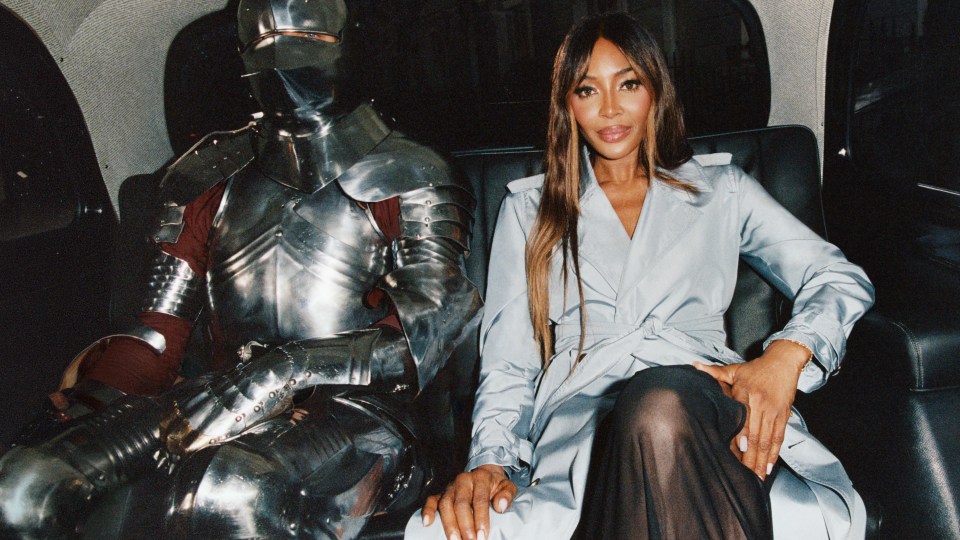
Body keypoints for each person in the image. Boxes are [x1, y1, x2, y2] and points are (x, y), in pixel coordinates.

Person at [0, 0, 480, 538]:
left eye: (308, 37)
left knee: (233, 488)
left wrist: (276, 371)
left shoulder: (410, 171)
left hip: (364, 413)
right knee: (25, 484)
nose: (283, 57)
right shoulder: (206, 174)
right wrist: (80, 409)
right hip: (218, 391)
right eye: (261, 39)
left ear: (348, 42)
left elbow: (431, 329)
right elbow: (158, 335)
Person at [406, 12, 874, 540]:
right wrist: (491, 460)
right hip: (586, 415)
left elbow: (837, 276)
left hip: (706, 395)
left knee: (662, 404)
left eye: (628, 83)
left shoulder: (722, 188)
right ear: (567, 105)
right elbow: (509, 362)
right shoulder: (530, 210)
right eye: (588, 90)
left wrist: (786, 356)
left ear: (654, 89)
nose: (610, 108)